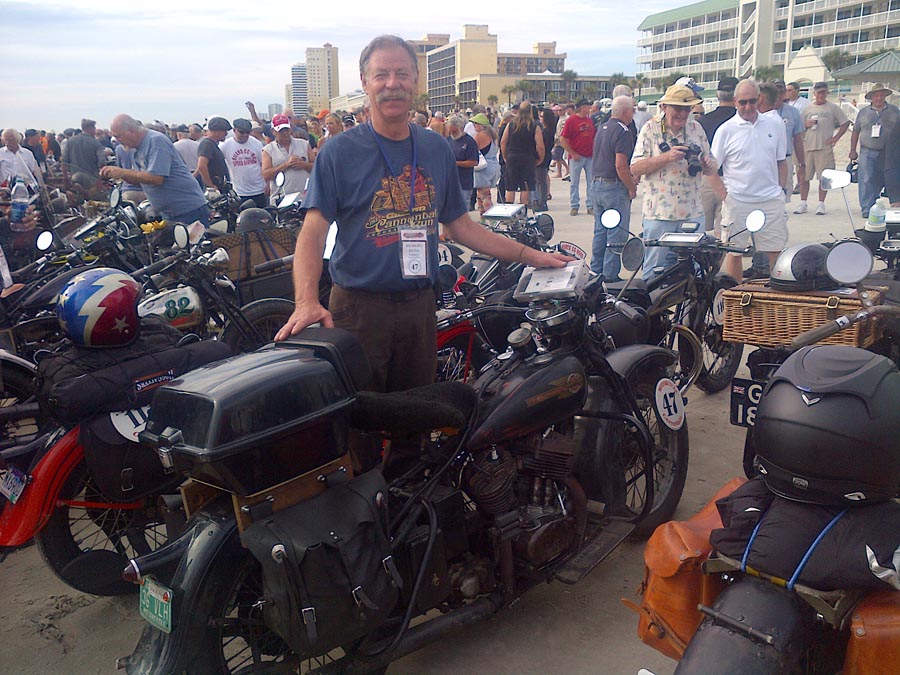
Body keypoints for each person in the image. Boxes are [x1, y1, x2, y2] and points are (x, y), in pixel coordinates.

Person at [273, 34, 567, 392]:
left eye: (401, 73)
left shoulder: (434, 147)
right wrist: (304, 302)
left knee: (415, 414)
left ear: (415, 80)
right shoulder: (338, 152)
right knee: (361, 421)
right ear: (365, 82)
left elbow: (461, 227)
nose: (392, 84)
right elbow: (313, 231)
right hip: (359, 309)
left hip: (418, 306)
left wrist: (531, 256)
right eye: (381, 74)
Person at [631, 84, 722, 280]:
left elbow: (713, 167)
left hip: (692, 212)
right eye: (677, 108)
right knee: (654, 271)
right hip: (659, 214)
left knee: (697, 271)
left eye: (687, 108)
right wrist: (667, 157)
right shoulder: (650, 128)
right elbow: (635, 168)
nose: (682, 113)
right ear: (664, 107)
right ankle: (654, 310)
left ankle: (692, 311)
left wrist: (706, 164)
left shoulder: (696, 128)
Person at [711, 79, 789, 282]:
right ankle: (736, 298)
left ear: (759, 100)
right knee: (734, 252)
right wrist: (726, 196)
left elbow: (782, 161)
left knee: (775, 252)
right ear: (735, 101)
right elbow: (711, 169)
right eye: (743, 102)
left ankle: (774, 298)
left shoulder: (775, 124)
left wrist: (780, 190)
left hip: (770, 199)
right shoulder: (725, 130)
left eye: (752, 101)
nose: (747, 107)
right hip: (738, 200)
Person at [101, 114, 209, 225]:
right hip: (170, 213)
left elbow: (156, 178)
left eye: (119, 136)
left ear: (131, 131)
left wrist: (123, 172)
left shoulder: (156, 141)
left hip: (188, 210)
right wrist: (122, 175)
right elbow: (142, 181)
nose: (118, 141)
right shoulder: (135, 150)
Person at [590, 96, 638, 280]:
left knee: (601, 231)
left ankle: (596, 270)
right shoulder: (623, 131)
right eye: (632, 110)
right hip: (614, 186)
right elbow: (621, 164)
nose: (633, 114)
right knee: (616, 233)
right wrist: (631, 186)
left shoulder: (602, 128)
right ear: (625, 111)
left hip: (597, 184)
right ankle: (610, 275)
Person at [795, 81, 850, 216]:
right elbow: (799, 128)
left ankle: (821, 204)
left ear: (826, 93)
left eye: (823, 92)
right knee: (804, 177)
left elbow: (845, 122)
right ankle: (803, 202)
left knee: (823, 178)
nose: (821, 95)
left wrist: (835, 138)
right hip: (807, 147)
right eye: (818, 92)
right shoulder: (807, 109)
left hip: (824, 147)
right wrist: (806, 125)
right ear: (814, 93)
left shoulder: (832, 107)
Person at [849, 84, 899, 218]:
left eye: (881, 95)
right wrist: (852, 150)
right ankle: (867, 209)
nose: (879, 98)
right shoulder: (863, 112)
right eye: (876, 95)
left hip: (888, 152)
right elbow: (855, 131)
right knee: (866, 180)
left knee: (886, 179)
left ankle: (883, 206)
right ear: (871, 97)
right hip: (867, 151)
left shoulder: (895, 111)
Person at [698, 76, 738, 236]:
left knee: (701, 230)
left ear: (717, 95)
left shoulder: (703, 121)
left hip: (706, 178)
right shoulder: (742, 121)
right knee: (726, 233)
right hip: (732, 180)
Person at [261, 113, 314, 204]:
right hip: (281, 199)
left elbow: (317, 167)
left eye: (286, 129)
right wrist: (286, 165)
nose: (285, 133)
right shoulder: (268, 150)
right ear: (273, 131)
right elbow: (266, 174)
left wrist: (304, 165)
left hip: (304, 198)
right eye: (281, 130)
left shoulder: (304, 144)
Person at [500, 101, 544, 206]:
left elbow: (503, 141)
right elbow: (540, 146)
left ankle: (509, 213)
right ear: (531, 111)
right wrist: (540, 158)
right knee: (525, 186)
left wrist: (505, 155)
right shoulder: (534, 125)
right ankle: (522, 212)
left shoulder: (511, 124)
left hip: (512, 157)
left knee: (510, 187)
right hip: (528, 158)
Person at [559, 99, 595, 216]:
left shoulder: (589, 120)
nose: (589, 108)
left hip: (589, 156)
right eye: (586, 106)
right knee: (574, 182)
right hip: (576, 156)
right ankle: (574, 205)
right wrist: (572, 153)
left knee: (591, 182)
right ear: (581, 107)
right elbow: (563, 138)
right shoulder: (571, 120)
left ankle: (590, 205)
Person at [222, 118, 267, 208]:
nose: (245, 135)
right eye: (242, 132)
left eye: (247, 132)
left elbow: (263, 165)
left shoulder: (257, 143)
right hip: (240, 192)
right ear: (234, 131)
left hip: (259, 190)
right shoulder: (225, 145)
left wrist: (267, 184)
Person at [447, 114, 479, 208]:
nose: (452, 133)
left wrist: (457, 163)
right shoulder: (448, 140)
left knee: (462, 208)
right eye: (450, 131)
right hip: (450, 182)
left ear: (460, 128)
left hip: (464, 182)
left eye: (454, 131)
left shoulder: (469, 142)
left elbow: (474, 162)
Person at [471, 112, 500, 215]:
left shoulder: (479, 136)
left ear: (481, 125)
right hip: (493, 165)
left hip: (483, 169)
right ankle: (483, 218)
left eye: (476, 124)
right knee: (482, 194)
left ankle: (490, 217)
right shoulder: (493, 136)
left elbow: (472, 151)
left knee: (484, 195)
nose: (474, 126)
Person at [195, 117, 231, 190]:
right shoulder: (207, 144)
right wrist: (210, 186)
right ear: (216, 131)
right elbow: (201, 166)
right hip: (215, 188)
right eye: (224, 131)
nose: (226, 134)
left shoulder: (212, 144)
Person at [535, 108, 557, 211]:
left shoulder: (548, 131)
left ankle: (542, 201)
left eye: (542, 116)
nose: (540, 118)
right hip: (544, 156)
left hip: (543, 157)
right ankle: (540, 200)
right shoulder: (546, 129)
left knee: (541, 180)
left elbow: (544, 145)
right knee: (540, 179)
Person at [553, 103, 573, 179]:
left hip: (560, 140)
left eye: (560, 110)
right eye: (558, 110)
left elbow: (562, 130)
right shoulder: (560, 118)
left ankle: (563, 171)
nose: (559, 112)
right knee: (557, 157)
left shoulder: (564, 119)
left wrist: (558, 138)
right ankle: (561, 171)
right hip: (558, 139)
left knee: (558, 156)